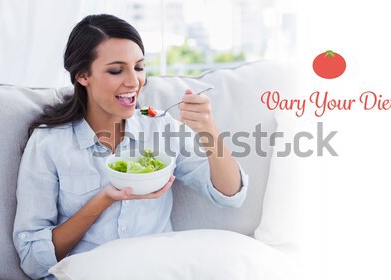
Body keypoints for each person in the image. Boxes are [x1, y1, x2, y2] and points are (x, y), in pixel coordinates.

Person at [13, 14, 248, 279]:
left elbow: (230, 194)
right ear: (82, 75)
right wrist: (104, 199)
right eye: (116, 70)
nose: (133, 81)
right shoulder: (49, 143)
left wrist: (209, 132)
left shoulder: (159, 126)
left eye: (138, 67)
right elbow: (33, 260)